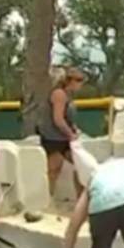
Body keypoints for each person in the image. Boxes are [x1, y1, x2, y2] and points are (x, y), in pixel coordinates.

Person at [38, 66, 85, 204]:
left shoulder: (66, 95)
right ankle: (46, 199)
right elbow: (58, 119)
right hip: (54, 137)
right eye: (79, 81)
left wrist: (73, 128)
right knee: (53, 170)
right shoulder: (59, 94)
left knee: (80, 165)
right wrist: (70, 134)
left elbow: (66, 117)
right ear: (71, 81)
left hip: (63, 137)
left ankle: (81, 200)